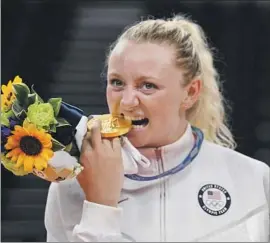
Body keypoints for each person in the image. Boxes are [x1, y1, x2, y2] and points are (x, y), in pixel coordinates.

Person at [44, 15, 269, 242]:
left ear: (190, 92)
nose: (127, 101)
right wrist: (100, 207)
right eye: (117, 83)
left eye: (148, 86)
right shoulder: (71, 185)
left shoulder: (253, 179)